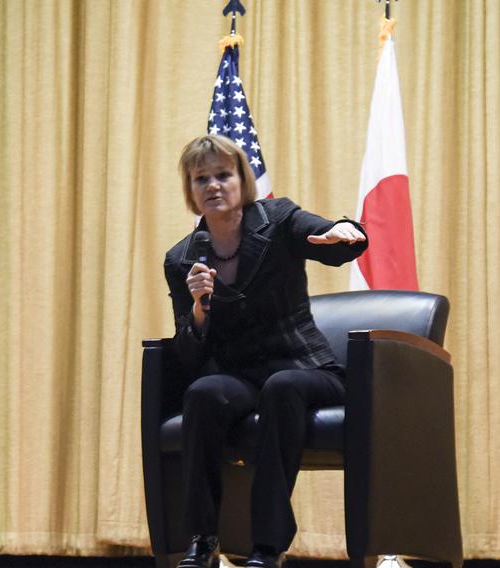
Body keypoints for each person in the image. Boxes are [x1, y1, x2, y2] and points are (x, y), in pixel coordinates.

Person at [164, 135, 368, 568]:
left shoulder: (277, 220)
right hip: (240, 378)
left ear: (243, 179)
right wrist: (199, 311)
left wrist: (337, 232)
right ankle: (203, 538)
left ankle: (268, 546)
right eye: (202, 178)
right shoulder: (182, 258)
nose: (214, 185)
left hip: (304, 368)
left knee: (282, 386)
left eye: (224, 174)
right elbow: (187, 354)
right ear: (190, 190)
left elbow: (320, 235)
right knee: (202, 393)